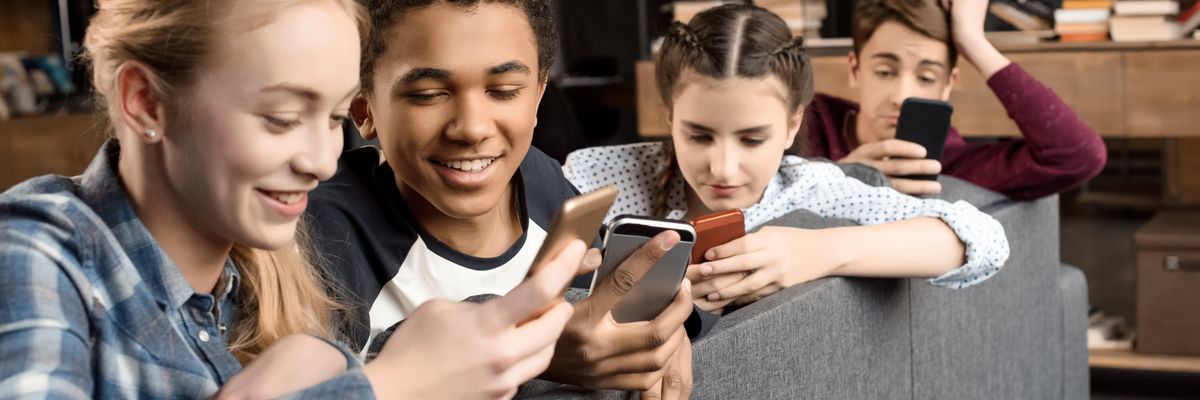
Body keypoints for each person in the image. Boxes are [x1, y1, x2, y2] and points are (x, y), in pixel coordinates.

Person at [0, 0, 588, 398]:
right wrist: (388, 385)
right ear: (146, 103)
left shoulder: (262, 291)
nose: (321, 161)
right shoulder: (36, 253)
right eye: (281, 119)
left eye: (333, 119)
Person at [306, 0, 693, 397]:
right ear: (362, 108)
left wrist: (653, 329)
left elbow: (600, 319)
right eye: (427, 94)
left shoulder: (542, 182)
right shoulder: (321, 234)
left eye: (505, 92)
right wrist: (535, 355)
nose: (472, 129)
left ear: (538, 96)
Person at [563, 4, 1009, 313]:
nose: (723, 167)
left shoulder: (810, 187)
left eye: (752, 140)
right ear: (670, 117)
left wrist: (817, 250)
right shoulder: (597, 175)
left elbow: (986, 242)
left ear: (793, 126)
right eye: (698, 135)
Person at [798, 0, 1107, 199]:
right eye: (884, 72)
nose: (902, 97)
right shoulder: (805, 121)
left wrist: (974, 41)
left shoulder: (954, 166)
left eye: (927, 78)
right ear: (855, 69)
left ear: (949, 84)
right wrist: (837, 177)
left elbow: (1079, 156)